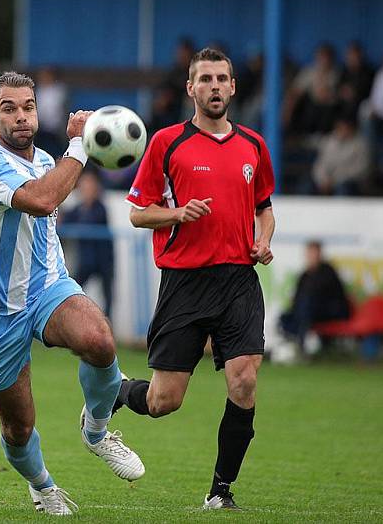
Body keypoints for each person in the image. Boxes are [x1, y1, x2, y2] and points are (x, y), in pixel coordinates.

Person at [0, 71, 144, 515]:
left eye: (27, 107)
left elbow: (51, 194)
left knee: (98, 339)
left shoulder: (46, 159)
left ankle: (97, 431)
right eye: (8, 109)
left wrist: (76, 151)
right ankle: (42, 486)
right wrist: (81, 146)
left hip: (46, 286)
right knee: (18, 428)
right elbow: (42, 200)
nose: (20, 116)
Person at [117, 48, 276, 510]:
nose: (214, 86)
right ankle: (118, 392)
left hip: (238, 280)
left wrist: (263, 239)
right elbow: (136, 213)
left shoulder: (254, 145)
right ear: (190, 88)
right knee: (165, 401)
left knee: (244, 381)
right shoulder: (167, 143)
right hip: (185, 283)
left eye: (222, 78)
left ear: (232, 87)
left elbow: (264, 209)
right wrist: (177, 213)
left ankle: (220, 492)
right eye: (204, 78)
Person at [279, 240, 350, 353]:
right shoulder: (304, 275)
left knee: (307, 306)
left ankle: (301, 346)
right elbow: (297, 297)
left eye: (313, 253)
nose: (310, 256)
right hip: (307, 312)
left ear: (319, 254)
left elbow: (328, 295)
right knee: (284, 317)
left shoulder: (328, 271)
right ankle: (292, 345)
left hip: (331, 311)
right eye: (309, 253)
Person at [61, 170, 114, 319]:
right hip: (86, 260)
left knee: (107, 296)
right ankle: (71, 321)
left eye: (90, 185)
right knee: (72, 290)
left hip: (104, 260)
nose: (87, 188)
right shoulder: (78, 209)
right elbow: (64, 221)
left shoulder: (100, 208)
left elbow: (90, 222)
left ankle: (107, 325)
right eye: (84, 185)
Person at [310, 116, 370, 195]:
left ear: (351, 129)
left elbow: (360, 170)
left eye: (344, 128)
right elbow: (320, 165)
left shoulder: (360, 145)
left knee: (342, 188)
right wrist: (323, 180)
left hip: (349, 182)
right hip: (326, 180)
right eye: (339, 128)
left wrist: (334, 180)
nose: (342, 131)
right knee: (306, 185)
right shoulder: (328, 141)